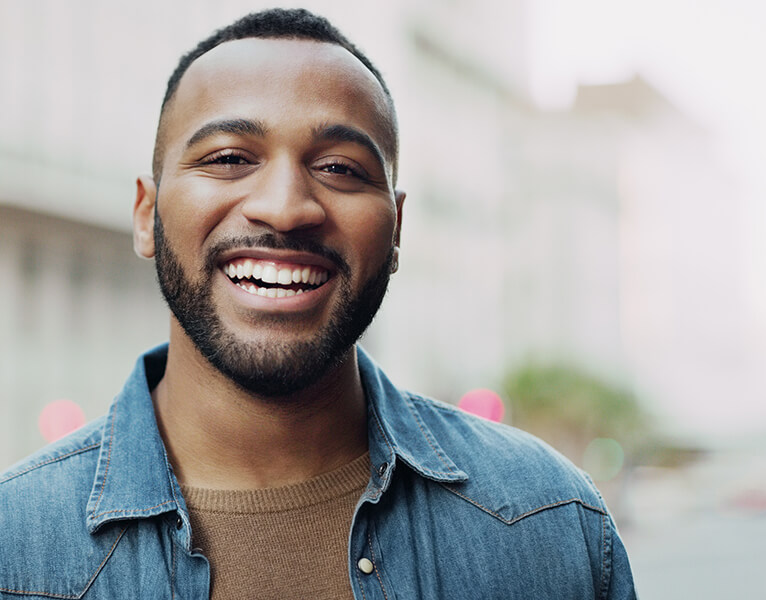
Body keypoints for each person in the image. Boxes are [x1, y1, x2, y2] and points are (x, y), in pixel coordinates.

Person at [0, 8, 637, 599]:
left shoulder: (551, 525)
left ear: (395, 229)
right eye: (227, 158)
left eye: (339, 168)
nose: (284, 206)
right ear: (147, 214)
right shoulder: (13, 548)